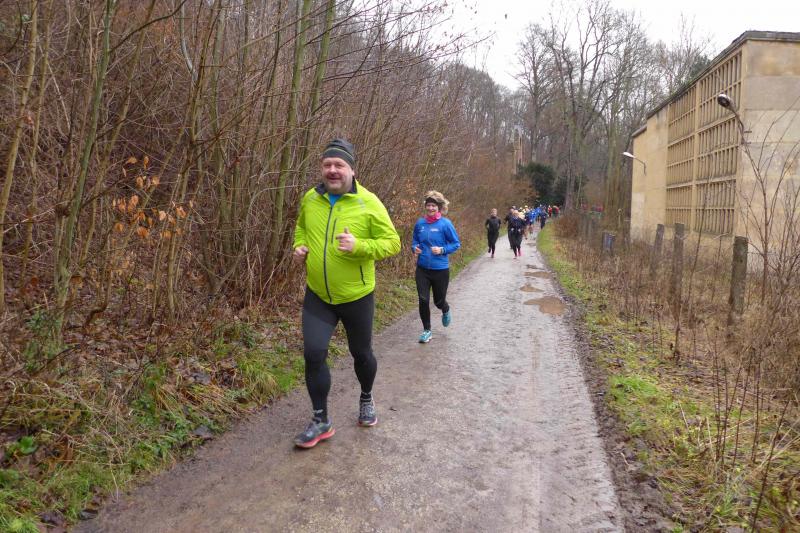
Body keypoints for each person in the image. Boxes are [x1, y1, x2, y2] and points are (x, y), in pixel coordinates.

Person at [291, 138, 401, 448]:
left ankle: (366, 397)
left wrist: (359, 246)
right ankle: (321, 420)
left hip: (357, 296)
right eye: (327, 164)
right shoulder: (310, 199)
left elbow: (393, 243)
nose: (332, 170)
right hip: (318, 295)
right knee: (313, 354)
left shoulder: (369, 202)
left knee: (361, 354)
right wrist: (299, 246)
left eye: (339, 164)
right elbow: (301, 228)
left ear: (352, 170)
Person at [412, 191, 461, 343]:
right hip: (422, 269)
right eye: (428, 205)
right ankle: (427, 331)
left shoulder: (445, 224)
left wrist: (442, 250)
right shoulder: (420, 223)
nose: (431, 208)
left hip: (440, 270)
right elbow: (415, 240)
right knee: (423, 299)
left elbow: (456, 244)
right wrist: (415, 248)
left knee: (438, 301)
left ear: (439, 207)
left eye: (433, 206)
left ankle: (445, 309)